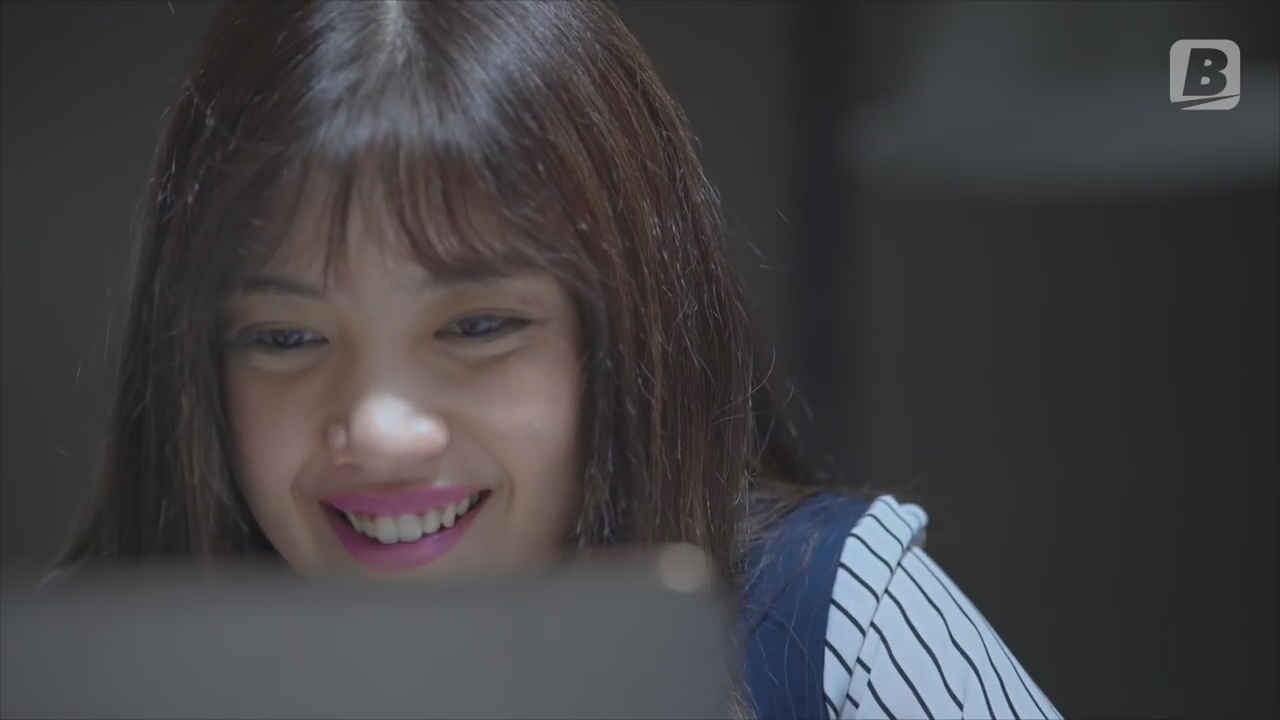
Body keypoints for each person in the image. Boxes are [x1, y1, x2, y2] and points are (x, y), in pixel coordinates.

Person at [54, 1, 1061, 718]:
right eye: (286, 338)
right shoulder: (72, 679)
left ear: (623, 337)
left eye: (477, 327)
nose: (379, 430)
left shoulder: (831, 618)